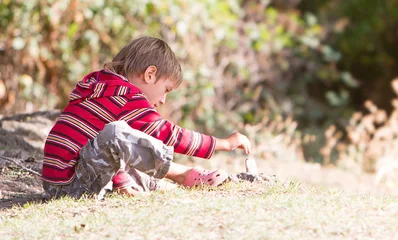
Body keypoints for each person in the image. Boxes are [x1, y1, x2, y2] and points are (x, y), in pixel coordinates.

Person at [42, 36, 251, 199]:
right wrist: (223, 143)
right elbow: (168, 134)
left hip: (60, 181)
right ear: (150, 74)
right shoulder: (125, 96)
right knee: (118, 134)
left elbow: (102, 149)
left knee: (124, 138)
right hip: (70, 186)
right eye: (166, 89)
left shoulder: (103, 86)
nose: (163, 100)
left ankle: (161, 183)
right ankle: (181, 175)